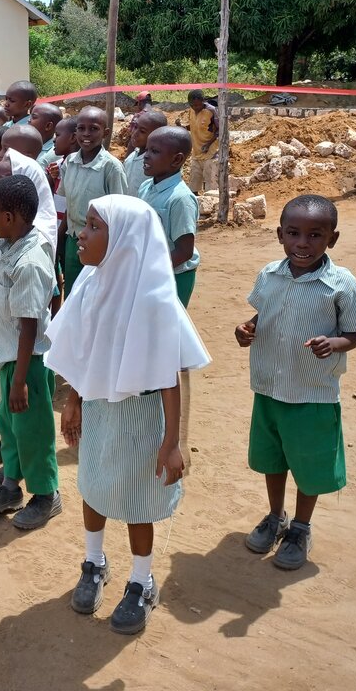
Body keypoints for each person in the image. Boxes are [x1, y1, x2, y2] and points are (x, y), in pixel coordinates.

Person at [48, 194, 211, 634]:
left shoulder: (156, 300)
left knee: (139, 501)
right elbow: (80, 351)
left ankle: (141, 581)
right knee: (95, 485)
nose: (82, 234)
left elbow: (170, 377)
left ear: (125, 240)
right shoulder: (89, 282)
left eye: (95, 226)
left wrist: (172, 442)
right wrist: (74, 400)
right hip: (100, 407)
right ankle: (94, 561)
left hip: (143, 418)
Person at [235, 195, 356, 570]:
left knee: (308, 464)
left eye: (315, 235)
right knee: (273, 459)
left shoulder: (341, 285)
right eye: (294, 234)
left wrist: (334, 343)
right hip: (270, 386)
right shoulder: (269, 275)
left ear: (332, 239)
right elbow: (263, 315)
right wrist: (246, 330)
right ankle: (276, 517)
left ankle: (301, 527)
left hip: (312, 392)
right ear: (280, 235)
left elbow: (353, 335)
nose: (303, 244)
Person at [0, 174, 59, 530]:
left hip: (30, 364)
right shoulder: (11, 245)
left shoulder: (30, 261)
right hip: (12, 358)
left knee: (33, 431)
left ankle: (45, 495)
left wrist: (20, 380)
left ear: (9, 218)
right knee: (11, 426)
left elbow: (28, 326)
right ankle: (10, 485)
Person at [57, 106, 127, 296]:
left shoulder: (111, 167)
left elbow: (119, 214)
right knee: (73, 293)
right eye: (81, 128)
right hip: (73, 240)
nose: (86, 134)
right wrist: (59, 238)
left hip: (100, 244)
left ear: (105, 133)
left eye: (94, 129)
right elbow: (68, 207)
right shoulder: (69, 162)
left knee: (96, 293)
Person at [137, 126, 200, 307]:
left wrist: (151, 270)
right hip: (151, 269)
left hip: (174, 274)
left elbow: (184, 251)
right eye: (147, 149)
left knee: (168, 327)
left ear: (177, 159)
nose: (146, 155)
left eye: (155, 151)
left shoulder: (180, 198)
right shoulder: (146, 187)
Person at [175, 90, 219, 193]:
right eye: (193, 105)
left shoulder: (212, 111)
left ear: (203, 101)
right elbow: (194, 126)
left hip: (211, 153)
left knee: (210, 189)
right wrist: (182, 127)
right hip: (197, 153)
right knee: (193, 187)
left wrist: (208, 144)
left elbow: (220, 130)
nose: (196, 108)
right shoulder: (191, 110)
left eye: (198, 105)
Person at [122, 111, 168, 196]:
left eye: (142, 131)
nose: (135, 133)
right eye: (135, 127)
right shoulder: (133, 155)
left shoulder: (154, 162)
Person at [29, 103, 62, 169]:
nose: (29, 120)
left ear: (48, 126)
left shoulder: (53, 153)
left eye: (34, 117)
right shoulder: (26, 144)